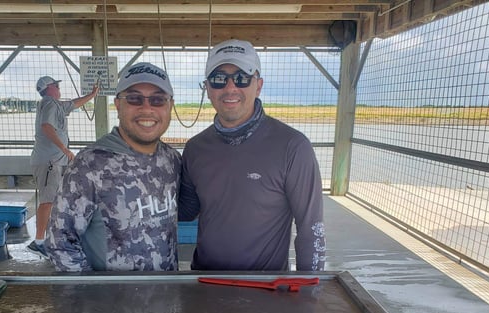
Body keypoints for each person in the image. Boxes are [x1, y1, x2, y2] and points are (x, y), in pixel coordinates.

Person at [179, 39, 326, 271]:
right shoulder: (195, 148)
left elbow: (311, 229)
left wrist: (311, 291)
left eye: (241, 78)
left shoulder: (293, 146)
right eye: (219, 80)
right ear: (207, 88)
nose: (230, 88)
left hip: (266, 288)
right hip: (203, 284)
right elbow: (184, 210)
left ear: (258, 85)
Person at [45, 62, 180, 272]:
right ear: (118, 104)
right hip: (111, 301)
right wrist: (96, 296)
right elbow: (60, 242)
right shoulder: (89, 164)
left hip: (167, 295)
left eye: (158, 99)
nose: (147, 108)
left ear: (169, 105)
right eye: (134, 98)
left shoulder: (172, 159)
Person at [27, 76, 99, 257]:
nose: (59, 88)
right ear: (48, 88)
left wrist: (92, 94)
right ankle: (38, 241)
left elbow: (74, 103)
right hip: (49, 161)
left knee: (54, 200)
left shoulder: (56, 105)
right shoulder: (49, 103)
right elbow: (46, 126)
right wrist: (65, 150)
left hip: (55, 162)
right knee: (47, 200)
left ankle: (49, 238)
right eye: (56, 85)